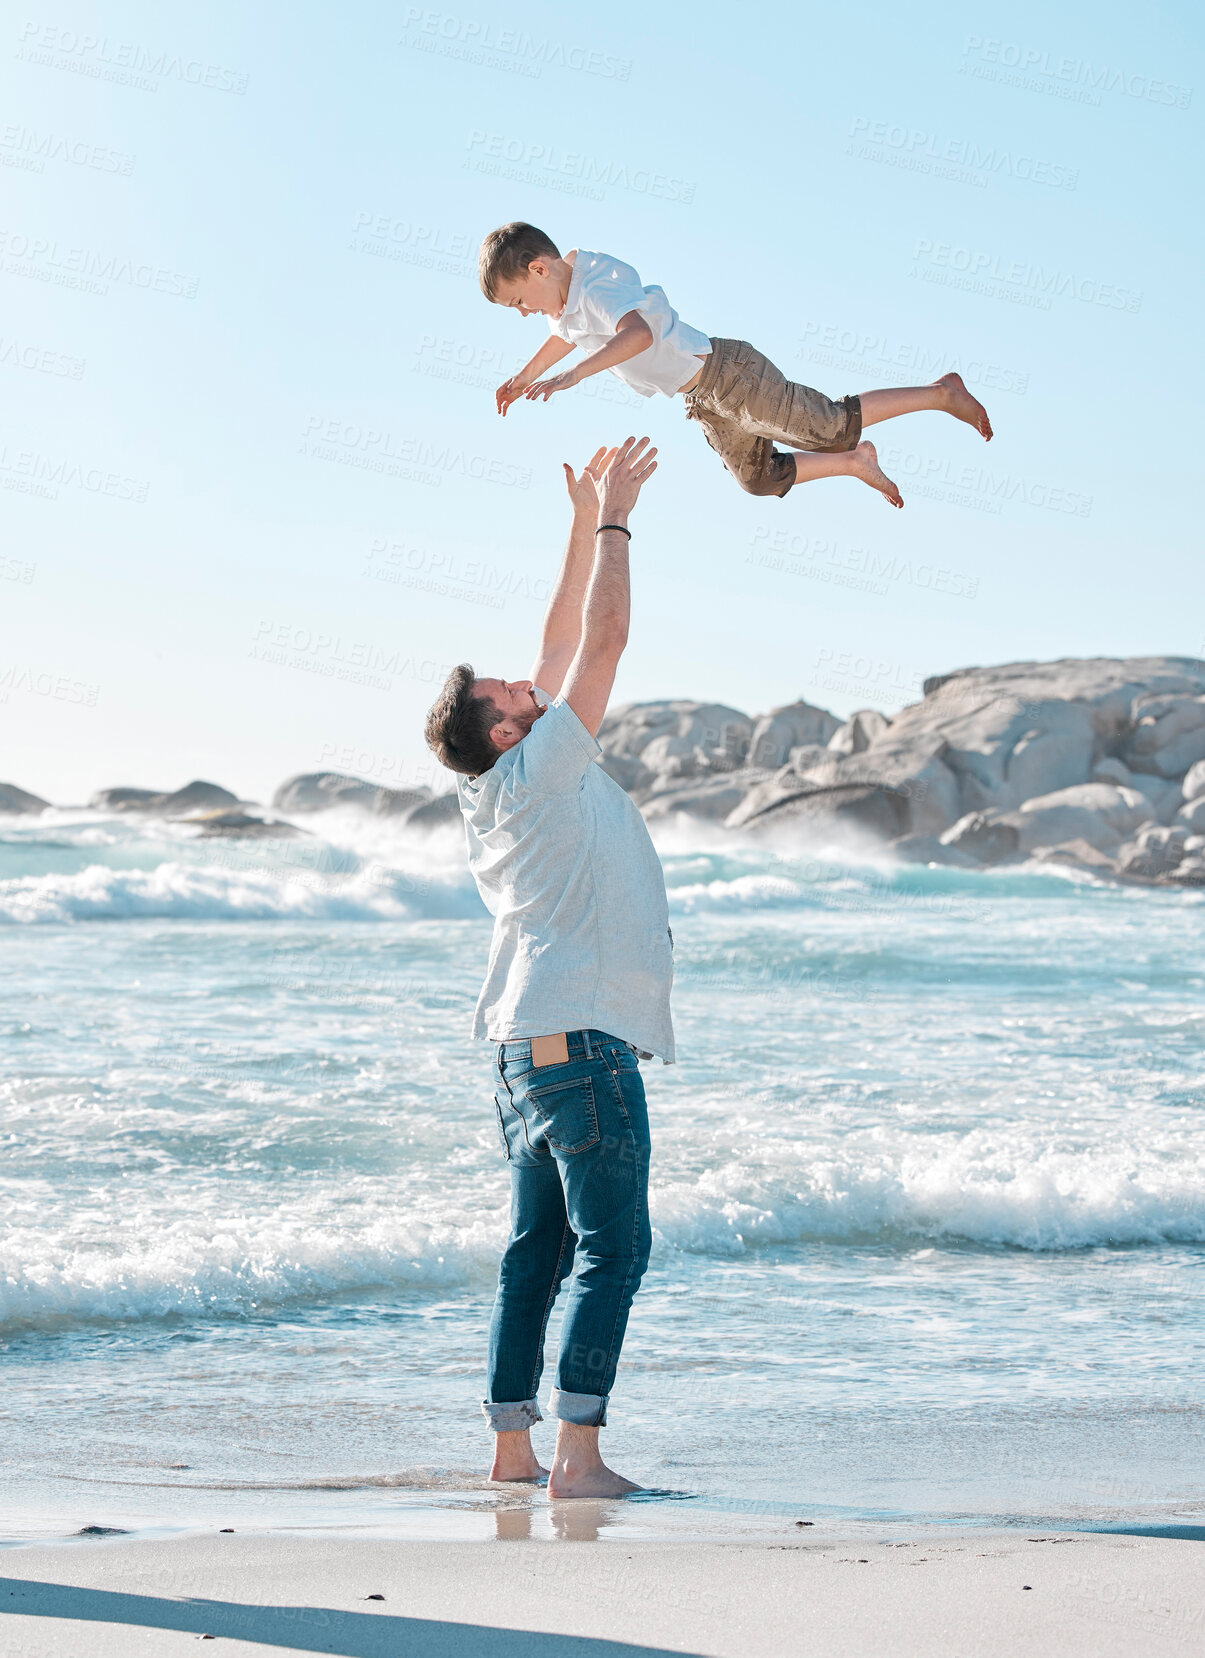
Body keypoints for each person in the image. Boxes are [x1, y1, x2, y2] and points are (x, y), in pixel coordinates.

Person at [424, 436, 670, 1498]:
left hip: (523, 1053)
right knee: (613, 1250)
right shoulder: (538, 771)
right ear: (506, 728)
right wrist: (618, 522)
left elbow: (559, 635)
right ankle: (578, 1453)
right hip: (581, 1050)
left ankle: (510, 1450)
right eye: (511, 689)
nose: (531, 679)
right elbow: (601, 640)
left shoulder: (493, 784)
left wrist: (577, 521)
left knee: (534, 1254)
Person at [478, 221, 994, 509]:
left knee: (833, 426)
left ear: (538, 268)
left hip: (730, 374)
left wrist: (574, 377)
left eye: (519, 302)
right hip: (705, 400)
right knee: (759, 480)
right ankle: (856, 461)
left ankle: (940, 392)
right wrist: (524, 377)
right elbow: (561, 336)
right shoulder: (564, 296)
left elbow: (637, 335)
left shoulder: (596, 287)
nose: (526, 315)